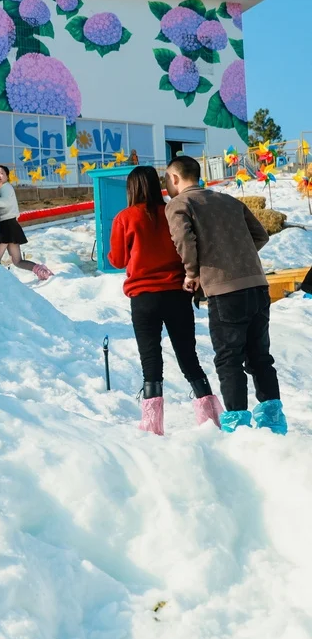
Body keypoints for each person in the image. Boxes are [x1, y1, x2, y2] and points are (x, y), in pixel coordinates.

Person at [165, 155, 285, 434]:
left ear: (174, 178)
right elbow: (260, 235)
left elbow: (184, 240)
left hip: (225, 291)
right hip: (258, 285)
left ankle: (238, 427)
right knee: (260, 357)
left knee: (229, 359)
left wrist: (192, 273)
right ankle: (273, 424)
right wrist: (238, 256)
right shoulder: (229, 200)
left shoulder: (180, 204)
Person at [108, 166, 222, 435]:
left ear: (131, 188)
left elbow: (118, 260)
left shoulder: (125, 217)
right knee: (188, 357)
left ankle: (152, 427)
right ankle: (210, 420)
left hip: (143, 297)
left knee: (150, 361)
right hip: (178, 293)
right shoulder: (174, 212)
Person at [0, 165, 53, 281]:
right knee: (17, 261)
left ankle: (0, 282)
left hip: (6, 226)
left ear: (7, 176)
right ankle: (43, 272)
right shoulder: (0, 189)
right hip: (11, 225)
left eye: (1, 173)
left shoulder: (6, 187)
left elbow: (4, 203)